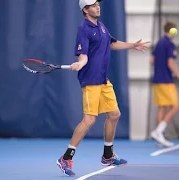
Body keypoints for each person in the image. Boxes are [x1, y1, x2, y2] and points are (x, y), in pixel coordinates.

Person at [56, 0, 149, 177]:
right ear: (85, 9)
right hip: (90, 81)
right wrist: (80, 63)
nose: (98, 6)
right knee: (89, 120)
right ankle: (66, 158)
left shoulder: (101, 27)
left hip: (103, 80)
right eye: (93, 5)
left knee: (114, 114)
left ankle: (107, 155)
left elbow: (112, 43)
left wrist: (132, 45)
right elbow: (83, 55)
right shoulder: (83, 29)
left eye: (98, 4)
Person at [149, 21, 179, 147]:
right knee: (175, 106)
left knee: (162, 107)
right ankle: (158, 131)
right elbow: (171, 63)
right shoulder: (169, 44)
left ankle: (159, 137)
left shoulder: (159, 43)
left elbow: (151, 60)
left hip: (157, 80)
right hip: (166, 81)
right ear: (172, 31)